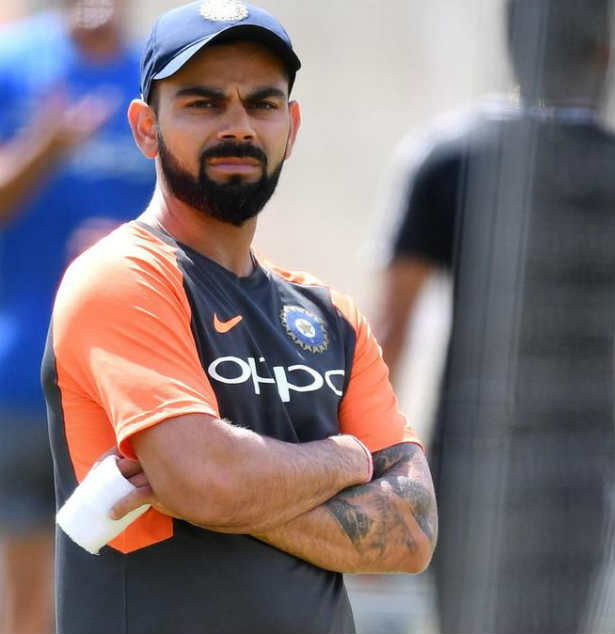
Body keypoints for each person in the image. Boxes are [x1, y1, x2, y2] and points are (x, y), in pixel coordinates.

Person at [41, 2, 437, 633]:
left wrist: (215, 487)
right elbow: (202, 478)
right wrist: (343, 461)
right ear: (145, 128)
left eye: (261, 103)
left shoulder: (331, 316)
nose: (237, 126)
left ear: (291, 126)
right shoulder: (123, 277)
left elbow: (411, 532)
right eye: (203, 103)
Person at [376, 1, 615, 631]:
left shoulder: (450, 160)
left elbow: (390, 336)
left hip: (472, 464)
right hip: (583, 472)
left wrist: (367, 479)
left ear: (511, 44)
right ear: (607, 52)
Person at [0, 2, 153, 632]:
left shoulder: (158, 76)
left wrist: (124, 247)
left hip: (134, 383)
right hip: (22, 373)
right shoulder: (14, 62)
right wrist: (46, 146)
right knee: (30, 595)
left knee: (127, 590)